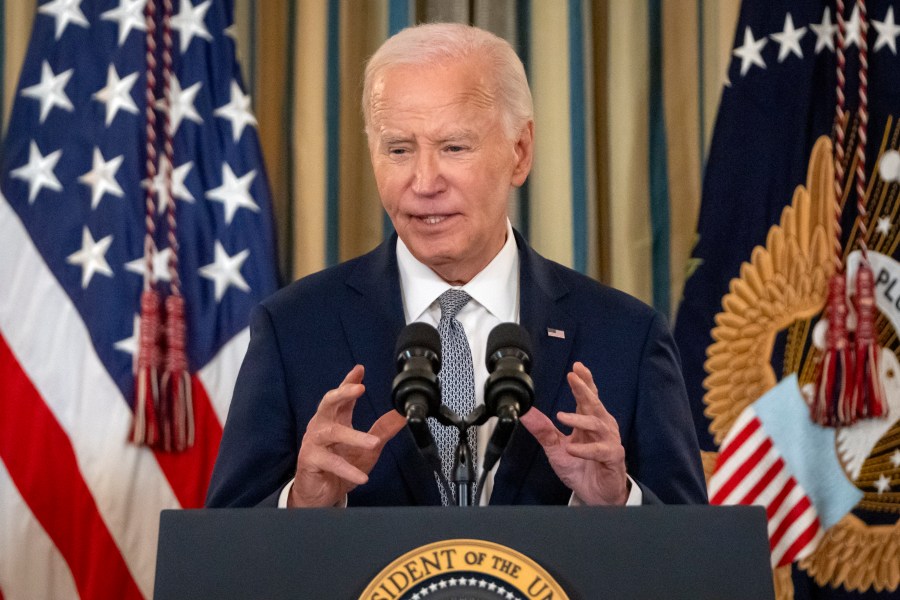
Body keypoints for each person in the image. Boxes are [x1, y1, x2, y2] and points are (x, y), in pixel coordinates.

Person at [205, 22, 707, 509]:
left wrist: (618, 503)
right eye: (398, 149)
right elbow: (222, 560)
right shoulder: (294, 328)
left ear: (520, 152)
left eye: (454, 147)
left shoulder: (626, 335)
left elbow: (696, 563)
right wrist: (300, 506)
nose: (424, 181)